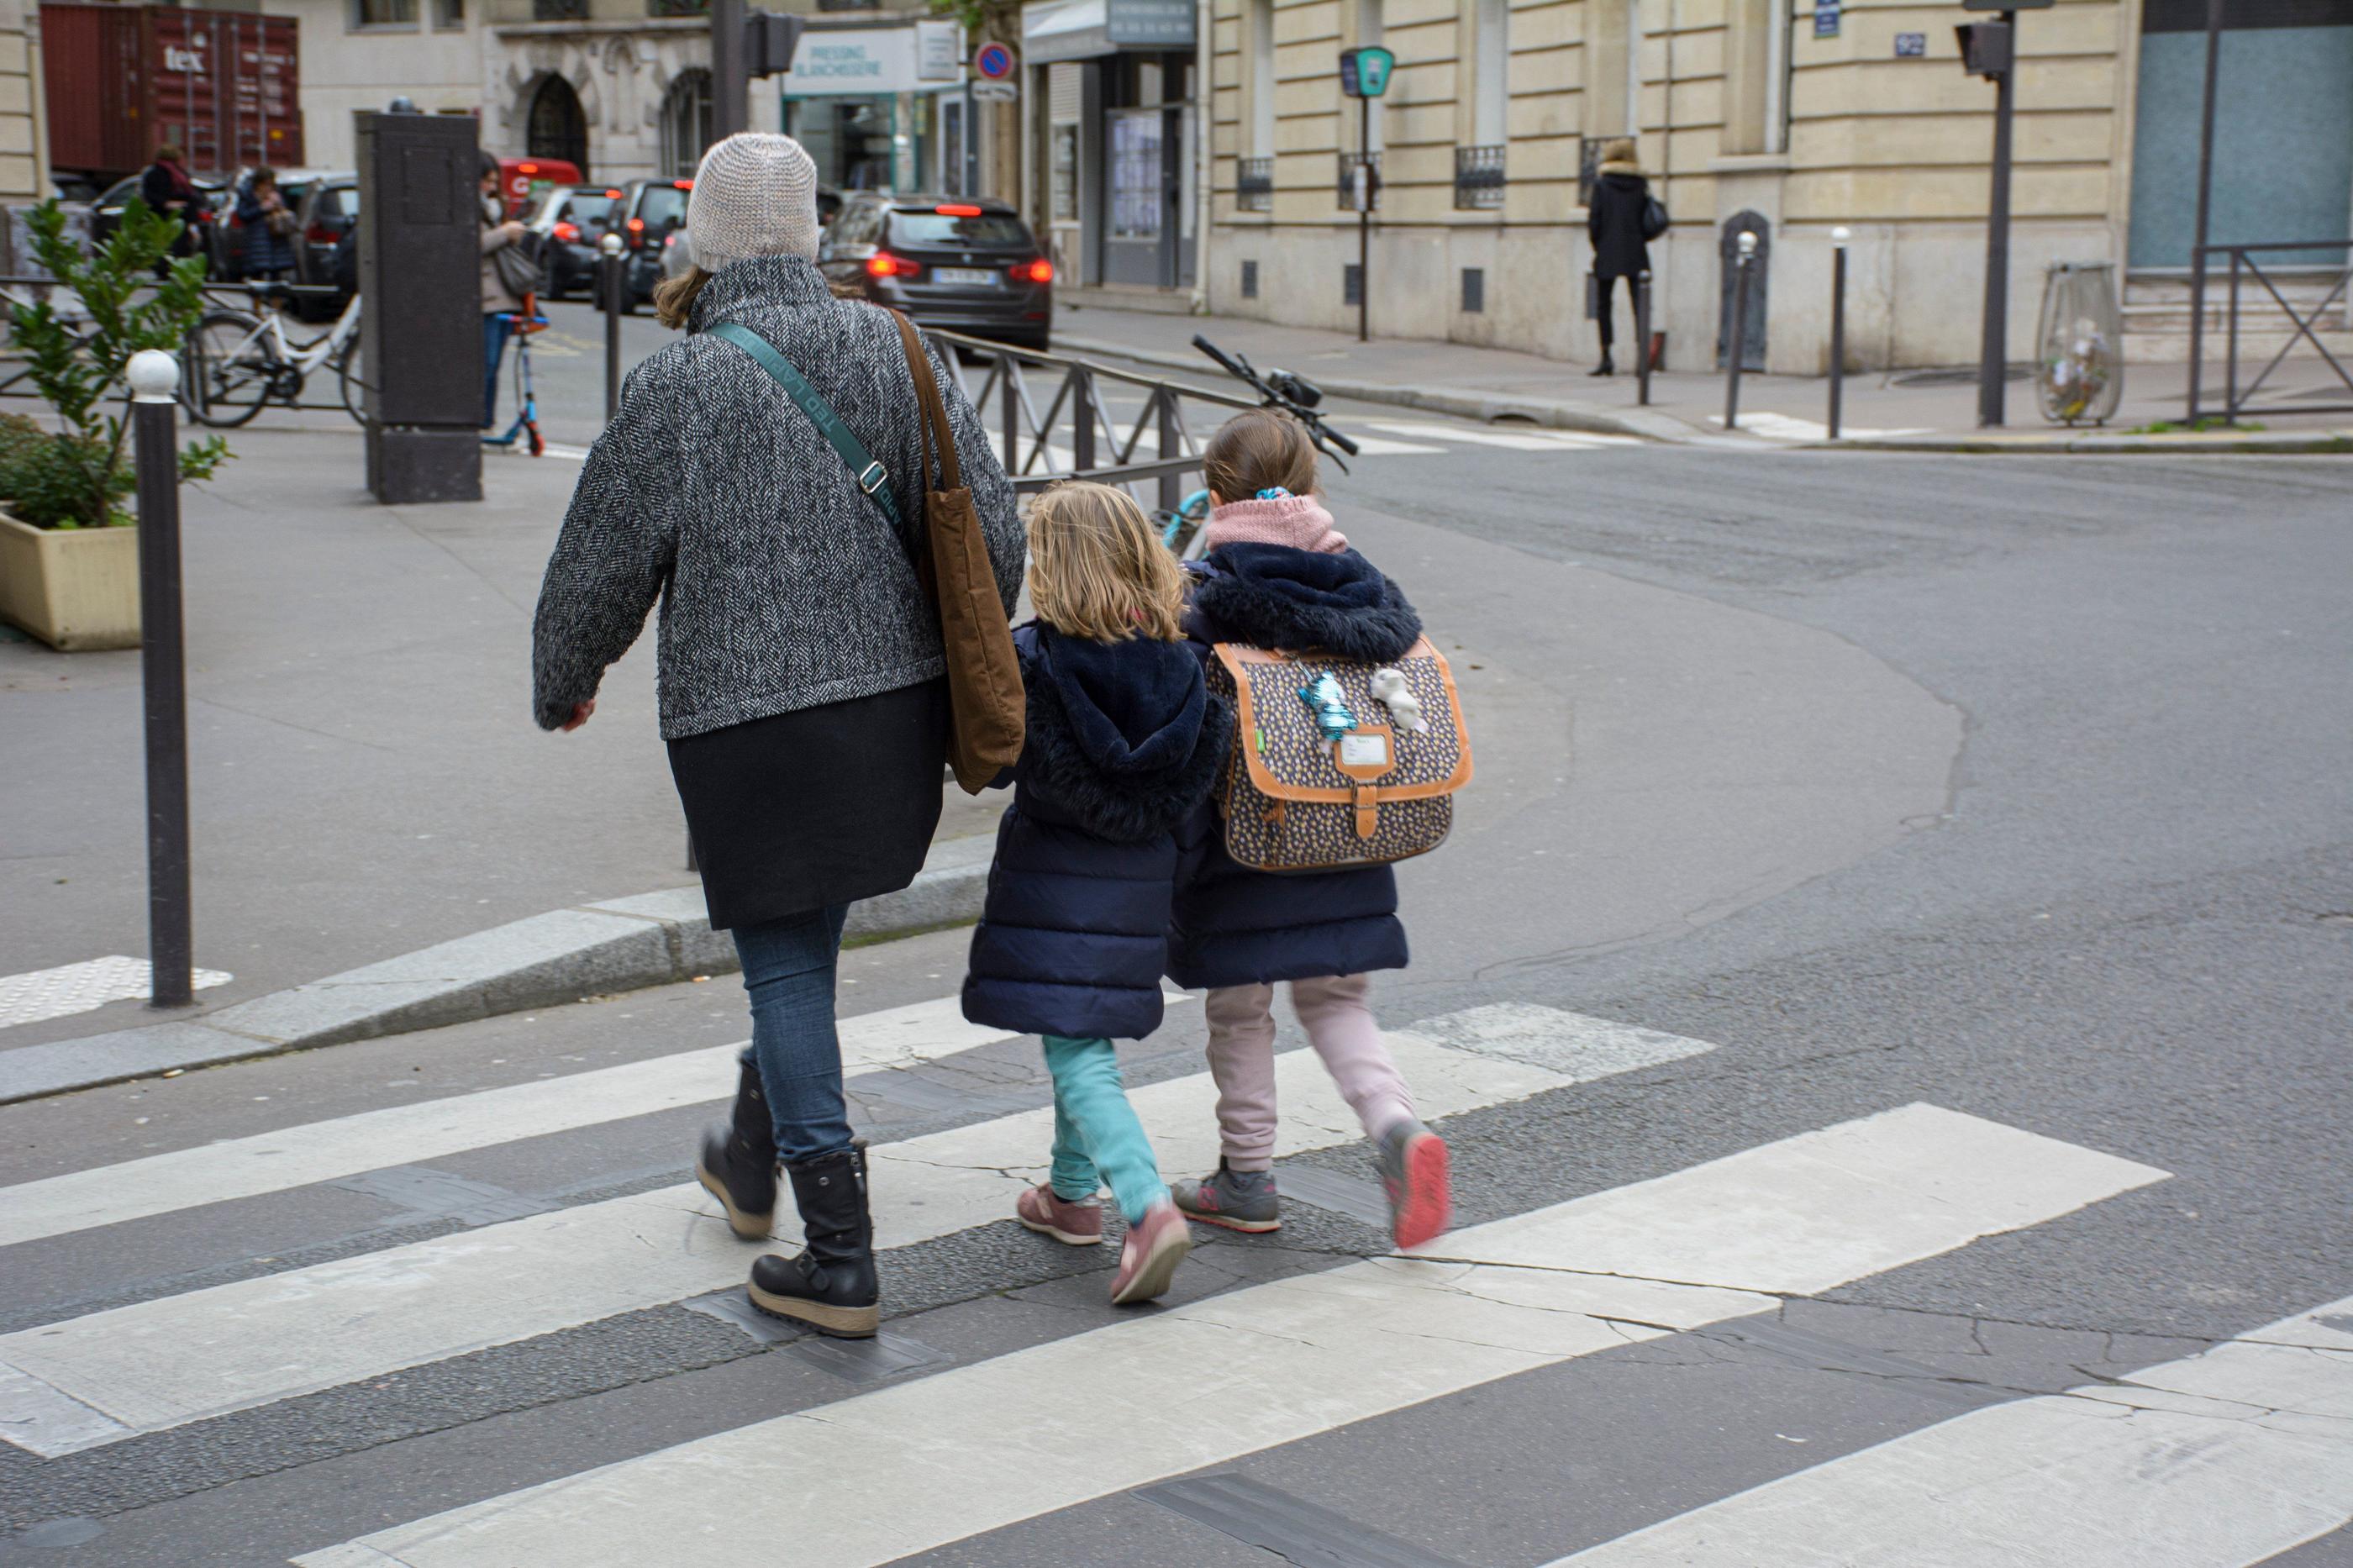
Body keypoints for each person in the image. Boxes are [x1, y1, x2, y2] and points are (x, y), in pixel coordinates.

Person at [530, 132, 1024, 1339]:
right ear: (814, 236)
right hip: (888, 717)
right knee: (798, 947)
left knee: (788, 963)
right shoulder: (896, 346)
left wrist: (564, 679)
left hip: (743, 727)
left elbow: (599, 561)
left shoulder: (676, 383)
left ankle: (839, 1253)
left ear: (702, 242)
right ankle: (753, 1155)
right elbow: (995, 536)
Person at [1166, 408, 1452, 1250]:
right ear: (1312, 485)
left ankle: (1246, 1178)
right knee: (1337, 998)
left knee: (1241, 1007)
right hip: (1355, 817)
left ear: (1216, 491)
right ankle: (1398, 1127)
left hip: (1249, 837)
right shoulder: (1366, 586)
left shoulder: (1208, 592)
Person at [962, 481, 1230, 1307]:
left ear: (1054, 564)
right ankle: (1068, 1197)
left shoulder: (1033, 657)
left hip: (1053, 881)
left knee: (1077, 1052)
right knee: (1077, 1031)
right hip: (1140, 886)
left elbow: (995, 762)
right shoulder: (1186, 663)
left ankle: (1144, 1206)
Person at [1585, 136, 1654, 379]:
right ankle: (1642, 361)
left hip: (1607, 250)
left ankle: (1606, 357)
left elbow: (1594, 221)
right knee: (1641, 305)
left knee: (1604, 305)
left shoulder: (1602, 185)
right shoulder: (1640, 184)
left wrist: (1599, 245)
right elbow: (1647, 221)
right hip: (1635, 249)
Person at [479, 154, 528, 429]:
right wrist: (505, 233)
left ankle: (486, 419)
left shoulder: (494, 208)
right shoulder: (471, 207)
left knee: (493, 365)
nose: (492, 187)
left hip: (503, 299)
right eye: (487, 181)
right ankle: (480, 419)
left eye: (495, 182)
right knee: (486, 364)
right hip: (485, 300)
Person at [139, 143, 205, 276]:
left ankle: (164, 271)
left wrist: (165, 203)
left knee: (164, 251)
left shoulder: (151, 173)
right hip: (179, 220)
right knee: (177, 251)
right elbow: (192, 197)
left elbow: (147, 196)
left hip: (161, 220)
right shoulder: (181, 175)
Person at [235, 166, 297, 283]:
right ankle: (257, 301)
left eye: (270, 184)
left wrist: (278, 204)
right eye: (264, 184)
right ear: (258, 184)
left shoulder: (276, 195)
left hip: (276, 242)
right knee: (256, 279)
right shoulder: (248, 195)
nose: (267, 188)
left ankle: (275, 301)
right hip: (257, 243)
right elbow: (243, 215)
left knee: (277, 279)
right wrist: (261, 208)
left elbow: (285, 215)